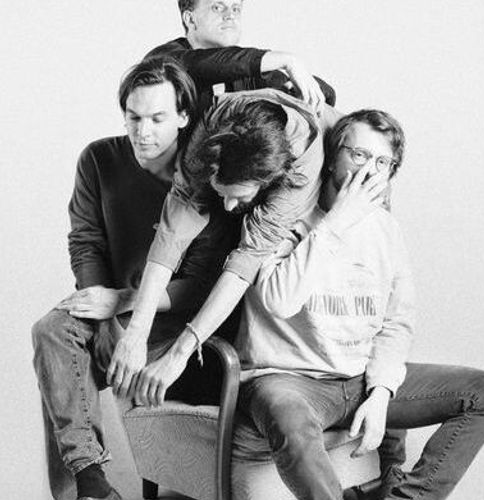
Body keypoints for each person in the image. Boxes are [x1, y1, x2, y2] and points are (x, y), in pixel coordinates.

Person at [234, 109, 484, 500]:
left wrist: (381, 393)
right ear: (332, 157)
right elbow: (278, 300)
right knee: (286, 413)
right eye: (358, 154)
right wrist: (336, 223)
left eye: (382, 163)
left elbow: (396, 322)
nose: (368, 170)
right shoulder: (281, 214)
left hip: (359, 377)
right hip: (289, 377)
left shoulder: (385, 229)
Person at [15, 57, 236, 500]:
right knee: (53, 332)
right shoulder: (99, 159)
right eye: (133, 117)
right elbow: (86, 238)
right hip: (113, 313)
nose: (143, 131)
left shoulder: (207, 178)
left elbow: (202, 284)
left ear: (184, 116)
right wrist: (98, 302)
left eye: (157, 118)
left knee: (61, 357)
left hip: (174, 327)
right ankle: (92, 495)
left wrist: (122, 302)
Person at [106, 86, 337, 406]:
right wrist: (136, 332)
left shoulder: (300, 169)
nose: (228, 207)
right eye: (221, 193)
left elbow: (246, 261)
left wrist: (179, 355)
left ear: (267, 182)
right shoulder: (213, 124)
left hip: (332, 164)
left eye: (238, 197)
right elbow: (173, 230)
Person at [144, 0, 335, 112]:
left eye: (236, 9)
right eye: (218, 7)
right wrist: (289, 61)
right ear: (190, 19)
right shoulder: (164, 60)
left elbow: (325, 95)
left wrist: (296, 89)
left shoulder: (244, 68)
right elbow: (204, 64)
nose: (230, 15)